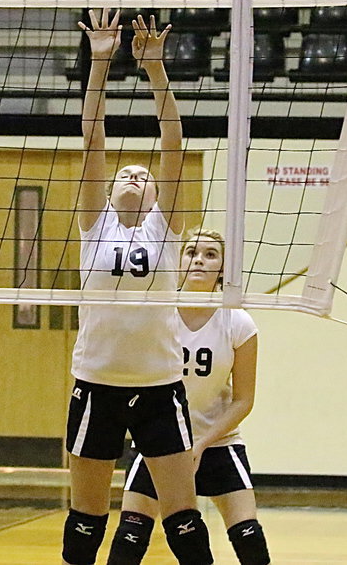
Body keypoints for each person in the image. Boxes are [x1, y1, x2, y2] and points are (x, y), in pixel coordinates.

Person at [66, 10, 212, 565]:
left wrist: (155, 72)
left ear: (156, 196)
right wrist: (100, 62)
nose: (132, 175)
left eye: (142, 174)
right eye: (123, 173)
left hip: (158, 385)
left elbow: (172, 143)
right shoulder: (94, 224)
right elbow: (92, 139)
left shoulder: (166, 229)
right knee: (86, 518)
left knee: (182, 515)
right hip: (95, 382)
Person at [107, 229, 269, 565]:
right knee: (129, 539)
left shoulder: (239, 322)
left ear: (223, 268)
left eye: (211, 254)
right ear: (178, 263)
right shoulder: (155, 317)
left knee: (250, 541)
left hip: (217, 442)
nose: (199, 259)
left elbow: (244, 400)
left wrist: (200, 444)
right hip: (159, 444)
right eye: (191, 252)